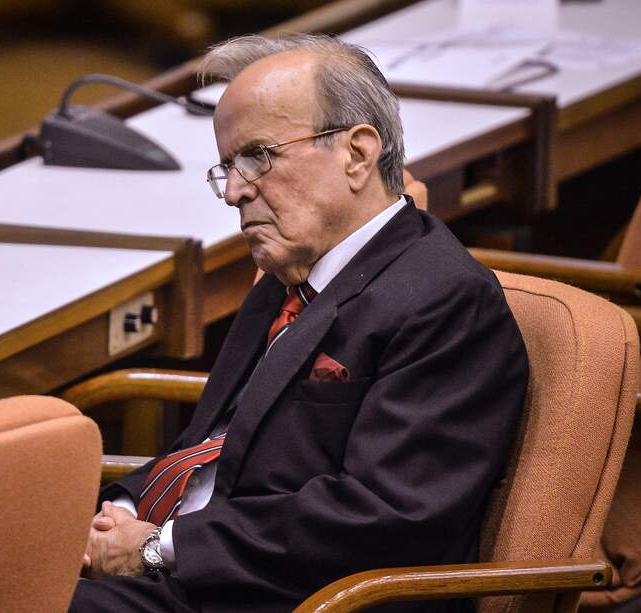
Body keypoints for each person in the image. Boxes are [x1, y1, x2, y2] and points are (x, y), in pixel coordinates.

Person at [70, 34, 528, 613]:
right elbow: (209, 447)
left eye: (258, 156)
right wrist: (122, 518)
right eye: (228, 166)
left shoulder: (446, 302)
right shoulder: (294, 269)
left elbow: (386, 518)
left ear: (358, 154)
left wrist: (162, 548)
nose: (235, 191)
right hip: (197, 565)